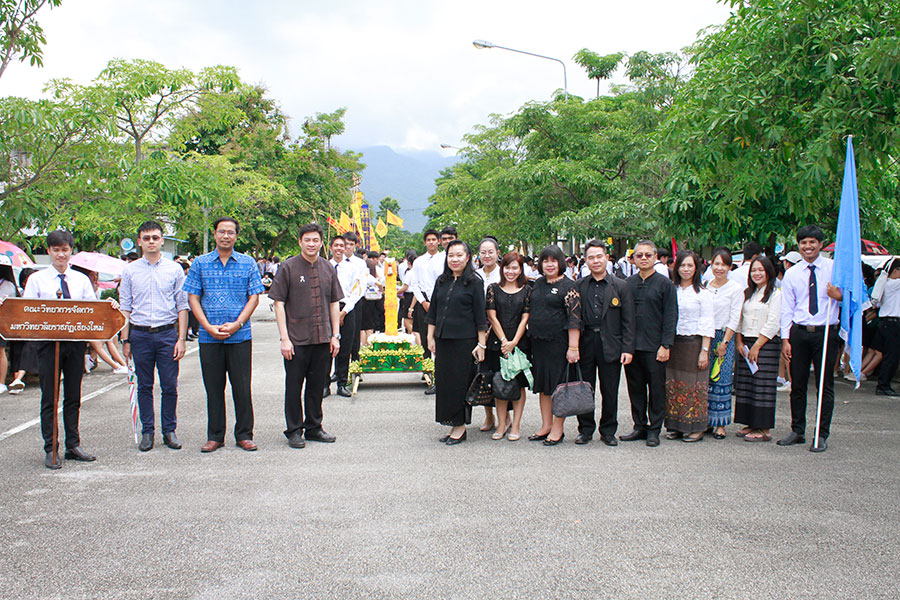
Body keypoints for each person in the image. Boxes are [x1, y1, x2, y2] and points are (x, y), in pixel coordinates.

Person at [183, 217, 264, 453]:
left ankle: (244, 434)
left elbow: (254, 297)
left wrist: (238, 324)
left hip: (240, 336)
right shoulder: (200, 263)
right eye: (222, 232)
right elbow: (193, 297)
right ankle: (215, 435)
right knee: (214, 388)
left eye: (230, 232)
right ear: (215, 234)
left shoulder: (248, 263)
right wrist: (206, 327)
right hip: (210, 337)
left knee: (242, 387)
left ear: (236, 236)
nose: (226, 236)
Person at [22, 231, 99, 469]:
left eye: (65, 250)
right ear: (49, 251)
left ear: (71, 252)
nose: (61, 254)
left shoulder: (80, 280)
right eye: (56, 250)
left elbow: (91, 310)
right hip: (48, 344)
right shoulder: (37, 279)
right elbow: (28, 310)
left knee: (73, 396)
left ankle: (73, 445)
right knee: (50, 397)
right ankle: (51, 448)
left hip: (75, 345)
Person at [270, 223, 343, 449]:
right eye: (307, 240)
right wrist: (284, 338)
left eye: (315, 240)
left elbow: (334, 303)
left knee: (315, 386)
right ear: (300, 241)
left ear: (322, 243)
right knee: (293, 386)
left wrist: (335, 335)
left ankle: (314, 427)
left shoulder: (328, 268)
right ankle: (294, 430)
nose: (311, 244)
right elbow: (279, 303)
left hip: (322, 338)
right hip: (296, 339)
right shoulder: (288, 267)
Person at [119, 220, 190, 452]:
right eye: (146, 238)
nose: (151, 242)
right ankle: (147, 432)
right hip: (140, 335)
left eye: (155, 237)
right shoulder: (130, 270)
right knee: (144, 386)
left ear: (162, 240)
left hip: (167, 334)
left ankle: (169, 430)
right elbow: (125, 307)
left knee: (169, 385)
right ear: (139, 241)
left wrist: (181, 339)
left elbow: (182, 306)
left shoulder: (175, 269)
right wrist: (125, 339)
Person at [778, 225, 841, 452]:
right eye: (803, 243)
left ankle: (822, 434)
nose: (808, 247)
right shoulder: (793, 273)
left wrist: (839, 296)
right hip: (800, 333)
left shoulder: (835, 269)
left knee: (825, 385)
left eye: (812, 242)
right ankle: (798, 430)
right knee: (798, 384)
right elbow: (787, 308)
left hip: (826, 332)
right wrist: (786, 339)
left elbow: (852, 298)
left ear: (820, 244)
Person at [426, 240, 489, 445]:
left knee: (460, 385)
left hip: (465, 342)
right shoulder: (442, 281)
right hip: (443, 340)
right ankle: (453, 424)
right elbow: (434, 311)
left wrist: (481, 344)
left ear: (468, 257)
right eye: (451, 255)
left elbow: (480, 316)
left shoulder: (475, 282)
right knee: (445, 384)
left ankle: (460, 427)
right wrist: (430, 336)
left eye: (459, 255)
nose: (455, 259)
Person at [573, 240, 634, 446]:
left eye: (599, 256)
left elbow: (628, 321)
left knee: (610, 390)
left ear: (607, 258)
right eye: (591, 257)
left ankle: (608, 430)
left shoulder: (621, 286)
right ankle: (585, 429)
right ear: (586, 261)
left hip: (612, 344)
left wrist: (627, 348)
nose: (596, 261)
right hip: (586, 342)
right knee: (585, 388)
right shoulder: (580, 285)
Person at [622, 241, 678, 447]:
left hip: (656, 348)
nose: (643, 258)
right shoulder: (628, 283)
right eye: (639, 255)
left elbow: (671, 316)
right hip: (632, 348)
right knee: (635, 388)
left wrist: (666, 345)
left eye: (647, 255)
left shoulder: (665, 284)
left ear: (655, 257)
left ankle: (654, 429)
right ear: (634, 258)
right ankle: (640, 426)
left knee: (656, 390)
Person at [527, 245, 581, 446]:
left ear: (561, 263)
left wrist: (573, 347)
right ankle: (546, 425)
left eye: (553, 260)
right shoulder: (538, 283)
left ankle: (558, 429)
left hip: (559, 345)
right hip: (539, 344)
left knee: (558, 387)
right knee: (544, 387)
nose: (549, 265)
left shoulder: (569, 286)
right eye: (545, 261)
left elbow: (574, 319)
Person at [664, 251, 714, 442]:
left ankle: (697, 427)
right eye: (682, 265)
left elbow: (707, 322)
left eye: (690, 266)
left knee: (694, 387)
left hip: (694, 344)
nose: (686, 269)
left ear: (697, 268)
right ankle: (676, 425)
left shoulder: (703, 293)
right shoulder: (672, 289)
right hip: (674, 343)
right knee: (674, 385)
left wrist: (704, 350)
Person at [733, 257, 782, 442]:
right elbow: (739, 319)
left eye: (761, 270)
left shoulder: (775, 294)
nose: (757, 273)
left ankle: (764, 428)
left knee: (762, 386)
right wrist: (739, 342)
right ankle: (751, 422)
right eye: (754, 270)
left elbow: (773, 323)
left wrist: (757, 346)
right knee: (746, 385)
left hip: (765, 344)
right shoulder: (748, 293)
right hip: (746, 343)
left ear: (769, 272)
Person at [485, 251, 532, 441]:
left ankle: (517, 426)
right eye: (507, 267)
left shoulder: (527, 290)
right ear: (502, 268)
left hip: (520, 343)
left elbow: (525, 318)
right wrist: (505, 341)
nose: (510, 272)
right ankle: (502, 423)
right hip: (497, 343)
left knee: (519, 386)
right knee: (500, 384)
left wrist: (514, 342)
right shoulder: (493, 288)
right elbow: (492, 316)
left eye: (515, 268)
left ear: (520, 269)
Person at [705, 248, 743, 438]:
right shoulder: (706, 285)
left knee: (722, 379)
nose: (719, 268)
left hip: (723, 337)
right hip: (705, 336)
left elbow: (735, 318)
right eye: (716, 263)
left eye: (724, 264)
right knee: (705, 380)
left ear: (729, 266)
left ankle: (720, 424)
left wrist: (725, 342)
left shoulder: (735, 289)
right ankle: (706, 420)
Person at [328, 235, 363, 397]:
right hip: (328, 309)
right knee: (326, 349)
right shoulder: (325, 266)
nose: (339, 248)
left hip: (347, 309)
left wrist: (343, 312)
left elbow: (356, 291)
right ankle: (324, 385)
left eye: (342, 246)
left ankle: (342, 383)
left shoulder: (352, 267)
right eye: (336, 245)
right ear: (330, 248)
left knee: (345, 347)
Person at [475, 237, 503, 430]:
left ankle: (505, 417)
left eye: (490, 252)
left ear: (497, 253)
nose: (487, 256)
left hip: (501, 330)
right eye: (483, 252)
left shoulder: (505, 274)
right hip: (479, 332)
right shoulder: (474, 276)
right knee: (483, 374)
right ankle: (488, 415)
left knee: (503, 375)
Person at [873, 258, 900, 396]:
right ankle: (883, 385)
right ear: (895, 270)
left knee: (889, 355)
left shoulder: (885, 284)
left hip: (885, 322)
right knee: (892, 356)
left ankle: (884, 383)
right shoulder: (894, 284)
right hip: (892, 323)